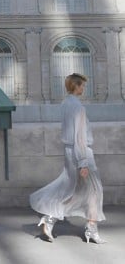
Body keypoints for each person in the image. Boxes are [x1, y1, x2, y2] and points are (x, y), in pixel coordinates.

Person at [30, 73, 106, 243]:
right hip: (81, 153)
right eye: (82, 86)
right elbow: (79, 136)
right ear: (76, 86)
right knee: (94, 190)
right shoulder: (78, 107)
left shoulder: (65, 104)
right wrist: (83, 162)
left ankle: (51, 219)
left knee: (76, 190)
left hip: (70, 152)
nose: (83, 89)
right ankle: (90, 230)